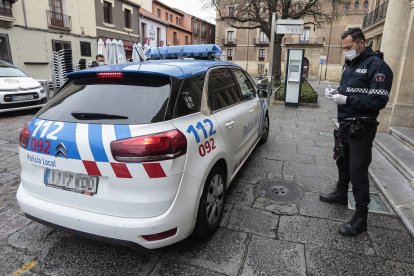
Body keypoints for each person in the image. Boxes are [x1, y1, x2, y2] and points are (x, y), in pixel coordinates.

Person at [320, 27, 393, 237]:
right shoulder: (351, 65)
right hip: (345, 124)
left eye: (349, 47)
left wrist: (347, 100)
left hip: (361, 127)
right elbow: (349, 91)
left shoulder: (377, 66)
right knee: (342, 161)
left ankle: (361, 218)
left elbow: (378, 101)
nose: (346, 51)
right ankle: (341, 193)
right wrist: (336, 93)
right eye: (344, 48)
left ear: (362, 43)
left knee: (358, 171)